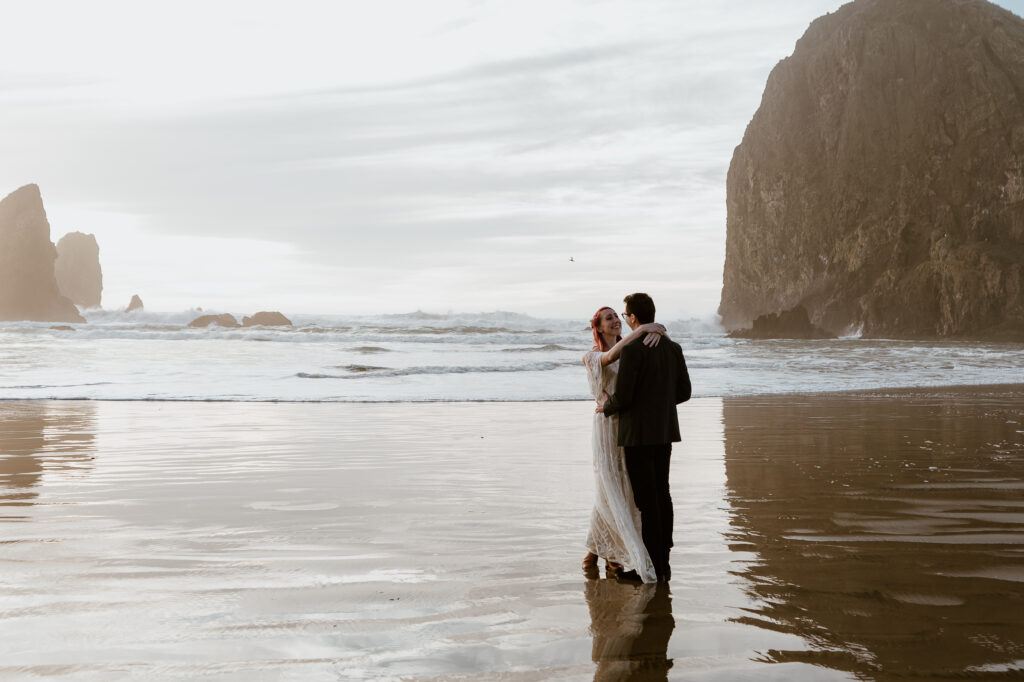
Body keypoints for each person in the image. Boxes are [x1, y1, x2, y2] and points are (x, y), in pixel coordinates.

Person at [597, 293, 691, 582]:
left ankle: (651, 569)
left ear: (633, 318)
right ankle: (664, 563)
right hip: (664, 431)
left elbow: (623, 397)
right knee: (662, 495)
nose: (624, 320)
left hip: (637, 435)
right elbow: (684, 393)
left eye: (625, 316)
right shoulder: (673, 347)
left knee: (647, 503)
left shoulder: (634, 350)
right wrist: (659, 405)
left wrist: (605, 407)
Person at [582, 306, 665, 584]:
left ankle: (596, 551)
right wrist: (642, 328)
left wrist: (656, 330)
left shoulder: (633, 350)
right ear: (599, 327)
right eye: (609, 318)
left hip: (629, 425)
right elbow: (609, 356)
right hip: (606, 426)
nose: (616, 320)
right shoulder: (591, 355)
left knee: (624, 488)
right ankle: (611, 554)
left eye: (618, 316)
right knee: (609, 486)